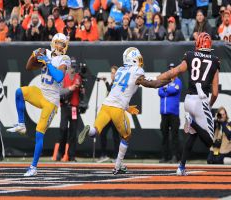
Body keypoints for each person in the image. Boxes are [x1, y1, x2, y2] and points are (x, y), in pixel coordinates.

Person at [78, 47, 170, 175]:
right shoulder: (137, 71)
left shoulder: (120, 70)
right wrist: (168, 80)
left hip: (106, 105)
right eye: (137, 58)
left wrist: (127, 107)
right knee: (127, 136)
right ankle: (117, 165)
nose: (139, 60)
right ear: (132, 59)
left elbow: (118, 91)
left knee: (95, 131)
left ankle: (89, 130)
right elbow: (152, 85)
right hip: (117, 109)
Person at [155, 32, 220, 175]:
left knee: (193, 135)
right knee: (210, 142)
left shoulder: (190, 55)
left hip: (189, 100)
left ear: (198, 44)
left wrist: (159, 78)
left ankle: (181, 167)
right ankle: (192, 122)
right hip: (201, 100)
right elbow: (215, 92)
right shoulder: (214, 60)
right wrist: (208, 105)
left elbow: (176, 71)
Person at [7, 33, 71, 176]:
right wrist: (33, 55)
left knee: (39, 133)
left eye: (63, 43)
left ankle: (33, 167)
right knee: (19, 92)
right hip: (41, 93)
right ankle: (21, 123)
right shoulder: (46, 53)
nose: (61, 46)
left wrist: (48, 62)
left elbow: (59, 76)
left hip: (51, 101)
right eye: (59, 43)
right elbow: (29, 67)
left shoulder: (65, 59)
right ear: (53, 42)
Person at [57, 58, 82, 162]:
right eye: (72, 66)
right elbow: (59, 92)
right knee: (63, 129)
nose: (73, 69)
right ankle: (60, 152)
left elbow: (81, 93)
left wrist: (81, 90)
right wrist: (70, 89)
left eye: (74, 67)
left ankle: (71, 155)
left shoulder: (78, 77)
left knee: (73, 132)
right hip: (65, 106)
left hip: (74, 107)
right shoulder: (63, 77)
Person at [158, 63, 182, 163]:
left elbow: (174, 90)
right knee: (164, 135)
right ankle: (165, 156)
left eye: (173, 69)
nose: (171, 71)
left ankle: (175, 156)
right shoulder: (164, 81)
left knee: (174, 136)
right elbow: (160, 92)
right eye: (170, 69)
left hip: (174, 114)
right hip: (164, 113)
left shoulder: (178, 81)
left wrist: (166, 89)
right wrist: (166, 89)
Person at [97, 65, 120, 163]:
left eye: (114, 73)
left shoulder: (118, 83)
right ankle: (103, 155)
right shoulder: (112, 83)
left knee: (115, 135)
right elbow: (110, 89)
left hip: (115, 112)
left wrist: (106, 82)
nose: (112, 74)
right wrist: (106, 81)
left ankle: (116, 157)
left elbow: (112, 90)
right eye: (111, 72)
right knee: (102, 132)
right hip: (108, 114)